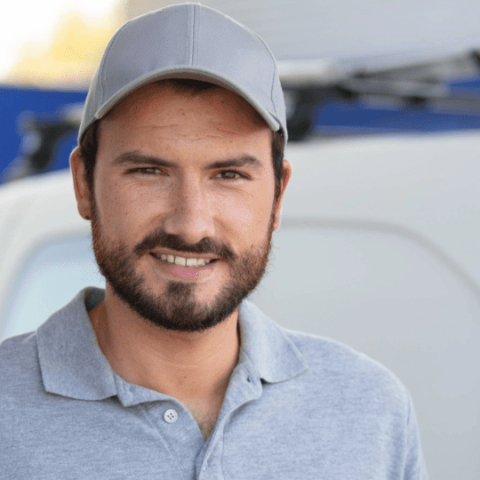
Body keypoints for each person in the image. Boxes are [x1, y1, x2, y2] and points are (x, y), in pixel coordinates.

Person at [0, 4, 428, 479]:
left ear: (278, 195)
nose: (191, 223)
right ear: (84, 184)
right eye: (149, 170)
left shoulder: (370, 413)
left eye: (229, 175)